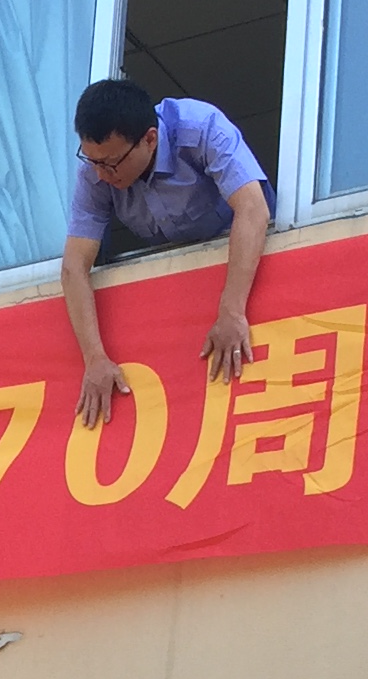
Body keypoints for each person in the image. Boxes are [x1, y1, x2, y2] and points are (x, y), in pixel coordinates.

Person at [61, 77, 273, 428]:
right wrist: (94, 358)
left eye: (110, 164)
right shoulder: (96, 172)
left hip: (247, 268)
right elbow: (74, 266)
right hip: (183, 291)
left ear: (150, 139)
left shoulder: (200, 127)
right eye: (92, 161)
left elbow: (253, 209)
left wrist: (232, 310)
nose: (101, 174)